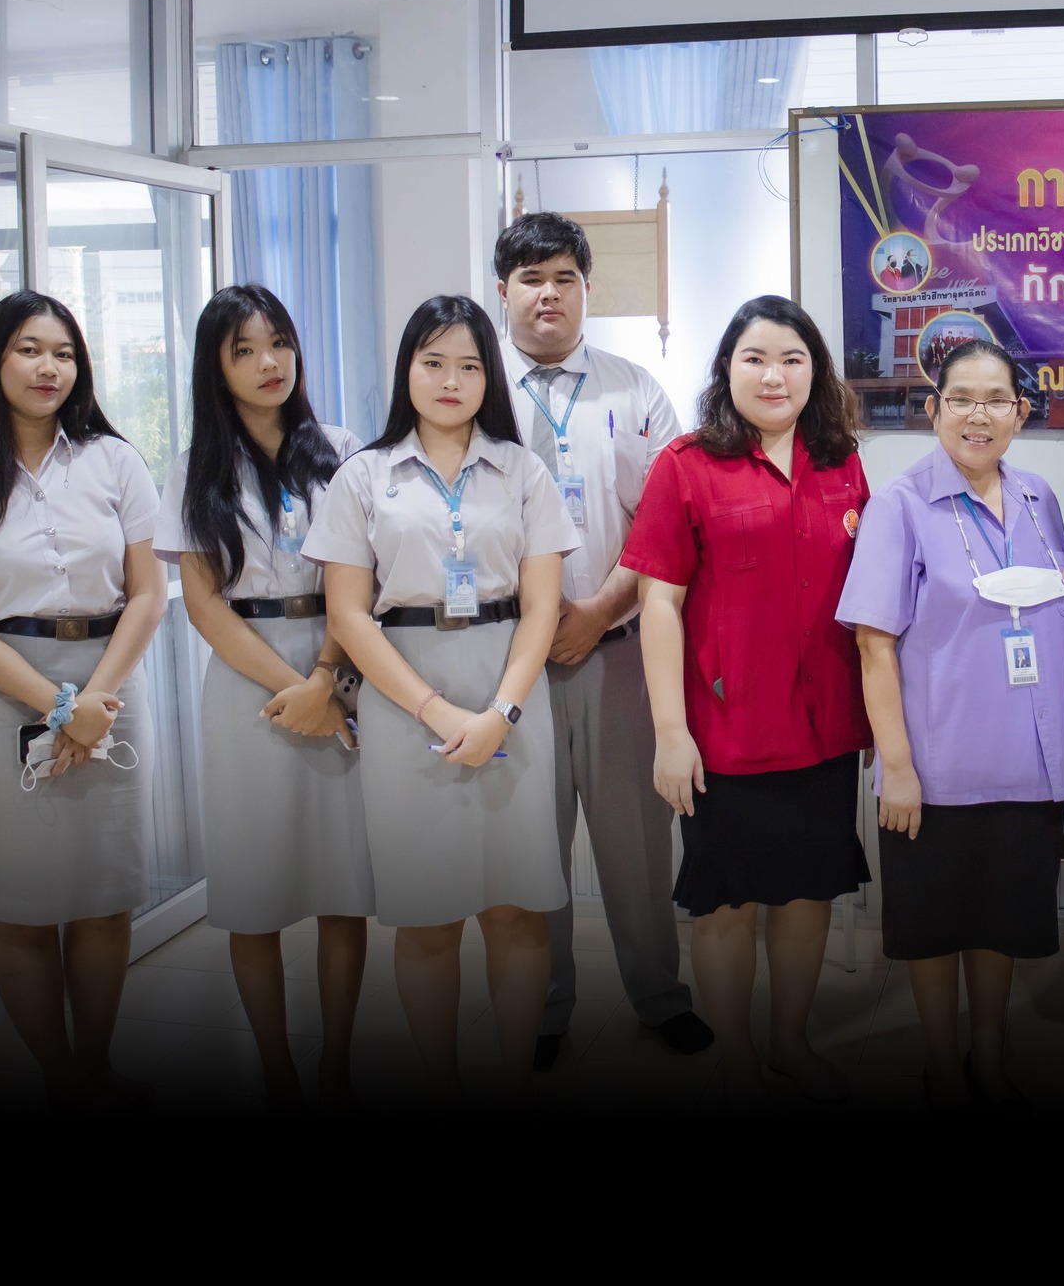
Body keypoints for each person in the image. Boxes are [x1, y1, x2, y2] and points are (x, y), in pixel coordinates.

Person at [304, 294, 579, 1109]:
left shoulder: (523, 470)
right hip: (402, 694)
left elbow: (541, 606)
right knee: (425, 913)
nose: (452, 379)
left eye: (468, 364)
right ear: (408, 371)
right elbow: (349, 614)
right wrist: (433, 709)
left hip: (509, 687)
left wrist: (500, 711)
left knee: (516, 904)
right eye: (433, 362)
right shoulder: (364, 474)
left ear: (488, 373)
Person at [0, 290, 167, 1109]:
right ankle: (60, 1080)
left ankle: (95, 1067)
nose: (48, 366)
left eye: (62, 352)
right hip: (0, 694)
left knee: (104, 893)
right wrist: (61, 709)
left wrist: (94, 698)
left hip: (111, 683)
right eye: (28, 348)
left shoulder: (115, 461)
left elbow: (149, 593)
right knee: (20, 905)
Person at [624, 294, 872, 1106]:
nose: (774, 374)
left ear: (816, 372)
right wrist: (670, 732)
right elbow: (658, 603)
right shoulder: (686, 465)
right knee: (725, 898)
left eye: (792, 359)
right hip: (724, 730)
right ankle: (737, 1056)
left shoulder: (843, 462)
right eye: (755, 357)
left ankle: (790, 1041)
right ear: (726, 368)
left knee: (807, 891)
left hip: (827, 723)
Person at [492, 212, 712, 1069]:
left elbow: (665, 525)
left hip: (615, 647)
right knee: (529, 842)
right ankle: (545, 1005)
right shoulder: (475, 389)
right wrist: (541, 628)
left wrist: (598, 608)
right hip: (511, 661)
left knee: (636, 842)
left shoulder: (635, 389)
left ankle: (659, 993)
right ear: (502, 290)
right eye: (529, 279)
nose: (547, 294)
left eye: (563, 278)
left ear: (587, 287)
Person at [837, 339, 1064, 1115]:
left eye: (996, 400)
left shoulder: (1040, 498)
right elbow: (874, 644)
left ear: (1020, 413)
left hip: (1028, 760)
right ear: (933, 410)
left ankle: (991, 1054)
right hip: (936, 765)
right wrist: (896, 767)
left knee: (1000, 922)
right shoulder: (900, 506)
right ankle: (943, 1062)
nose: (979, 415)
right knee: (936, 927)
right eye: (961, 399)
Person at [155, 285, 372, 1110]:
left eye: (277, 341)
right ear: (216, 364)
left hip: (341, 661)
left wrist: (327, 682)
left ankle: (337, 1062)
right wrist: (296, 689)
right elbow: (205, 606)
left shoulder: (344, 449)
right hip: (248, 684)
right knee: (254, 890)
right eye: (243, 349)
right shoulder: (192, 467)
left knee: (341, 884)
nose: (267, 362)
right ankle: (277, 1067)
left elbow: (361, 583)